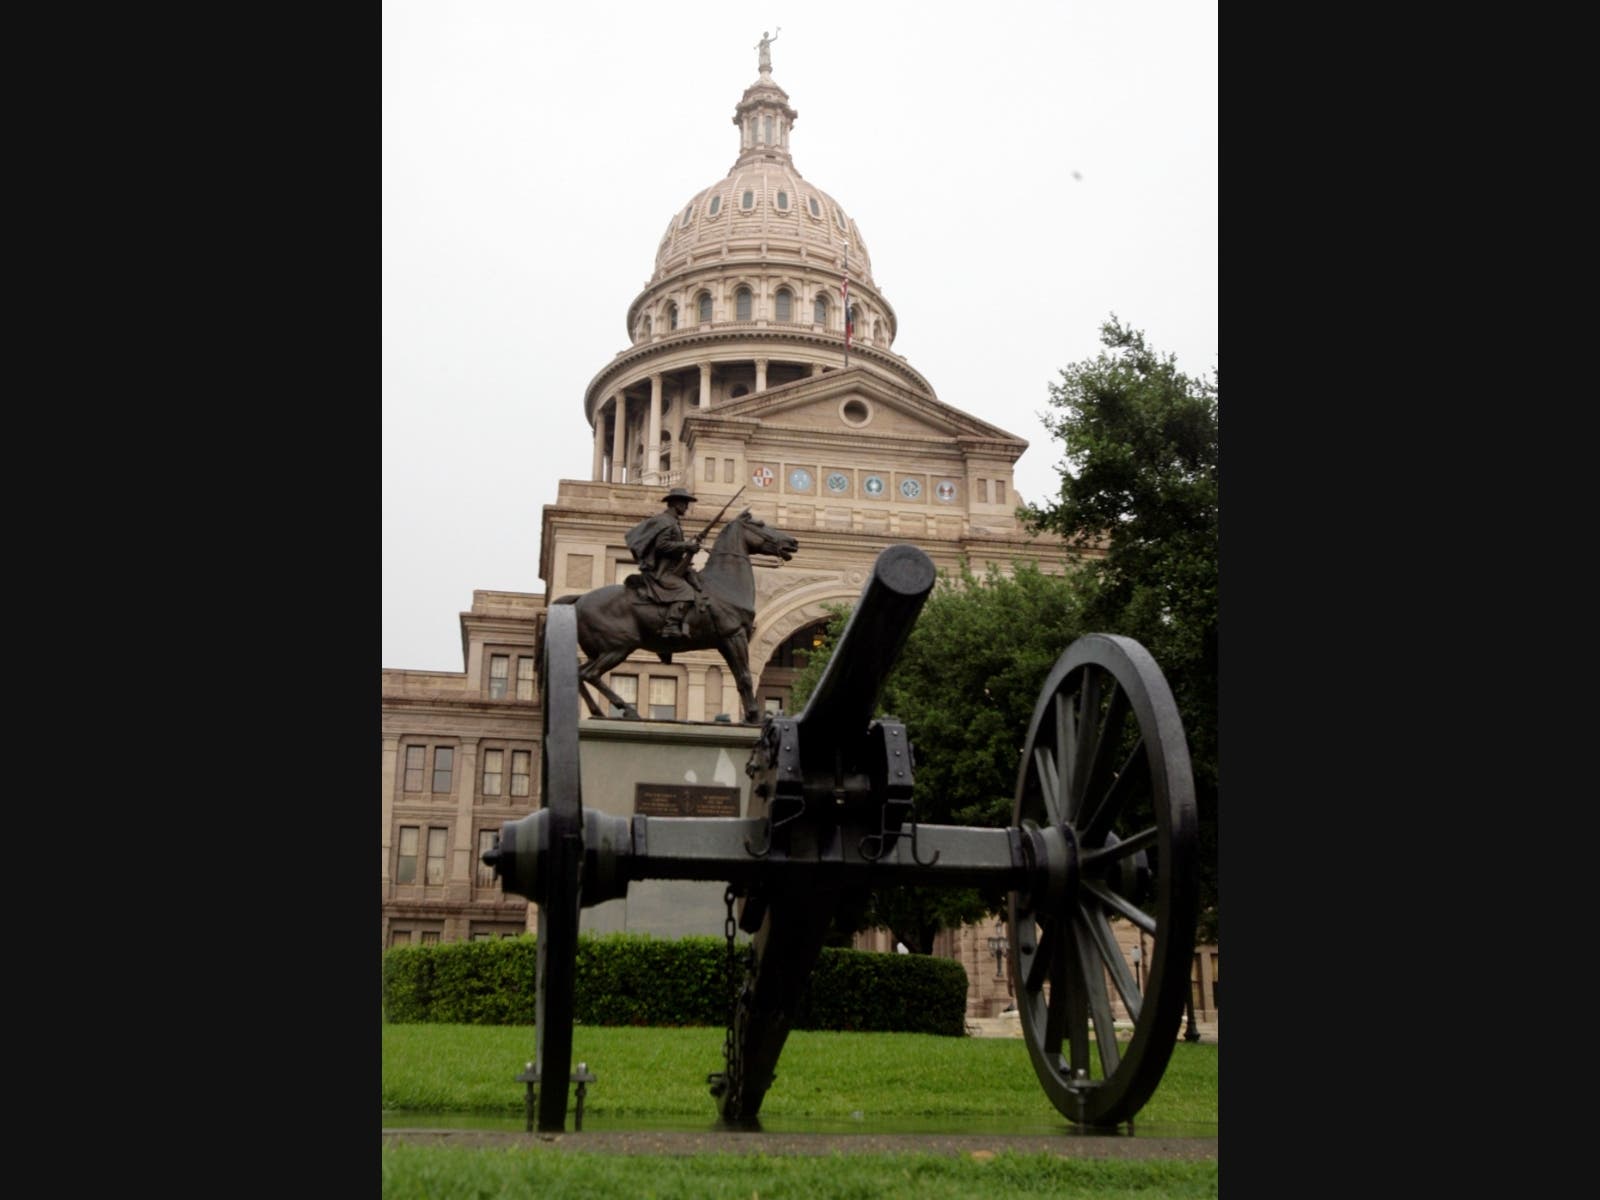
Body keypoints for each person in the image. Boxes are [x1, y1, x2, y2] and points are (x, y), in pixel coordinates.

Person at [624, 487, 705, 638]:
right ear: (676, 503)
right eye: (685, 503)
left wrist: (689, 545)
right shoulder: (666, 522)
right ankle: (670, 625)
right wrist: (686, 545)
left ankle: (686, 624)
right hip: (662, 572)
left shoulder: (672, 521)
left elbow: (673, 547)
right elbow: (662, 545)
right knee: (686, 591)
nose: (687, 507)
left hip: (672, 568)